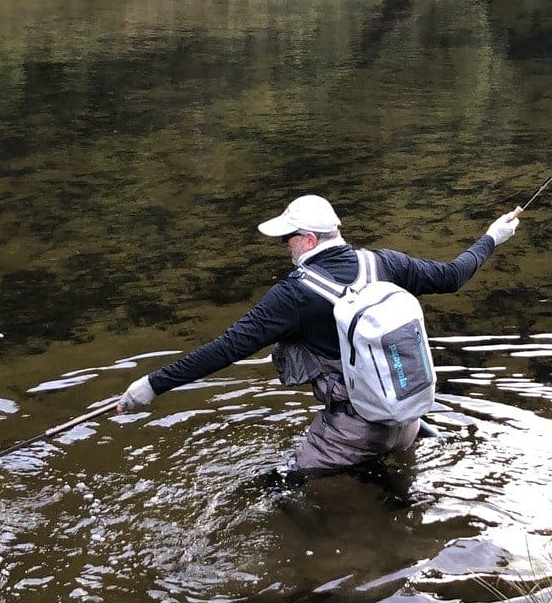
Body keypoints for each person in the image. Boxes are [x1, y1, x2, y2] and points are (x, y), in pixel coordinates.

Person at [116, 194, 521, 475]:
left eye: (288, 239)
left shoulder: (294, 294)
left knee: (274, 491)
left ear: (309, 240)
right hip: (408, 418)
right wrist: (491, 237)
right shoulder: (386, 263)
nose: (284, 247)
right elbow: (453, 276)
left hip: (352, 431)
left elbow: (226, 349)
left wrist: (152, 385)